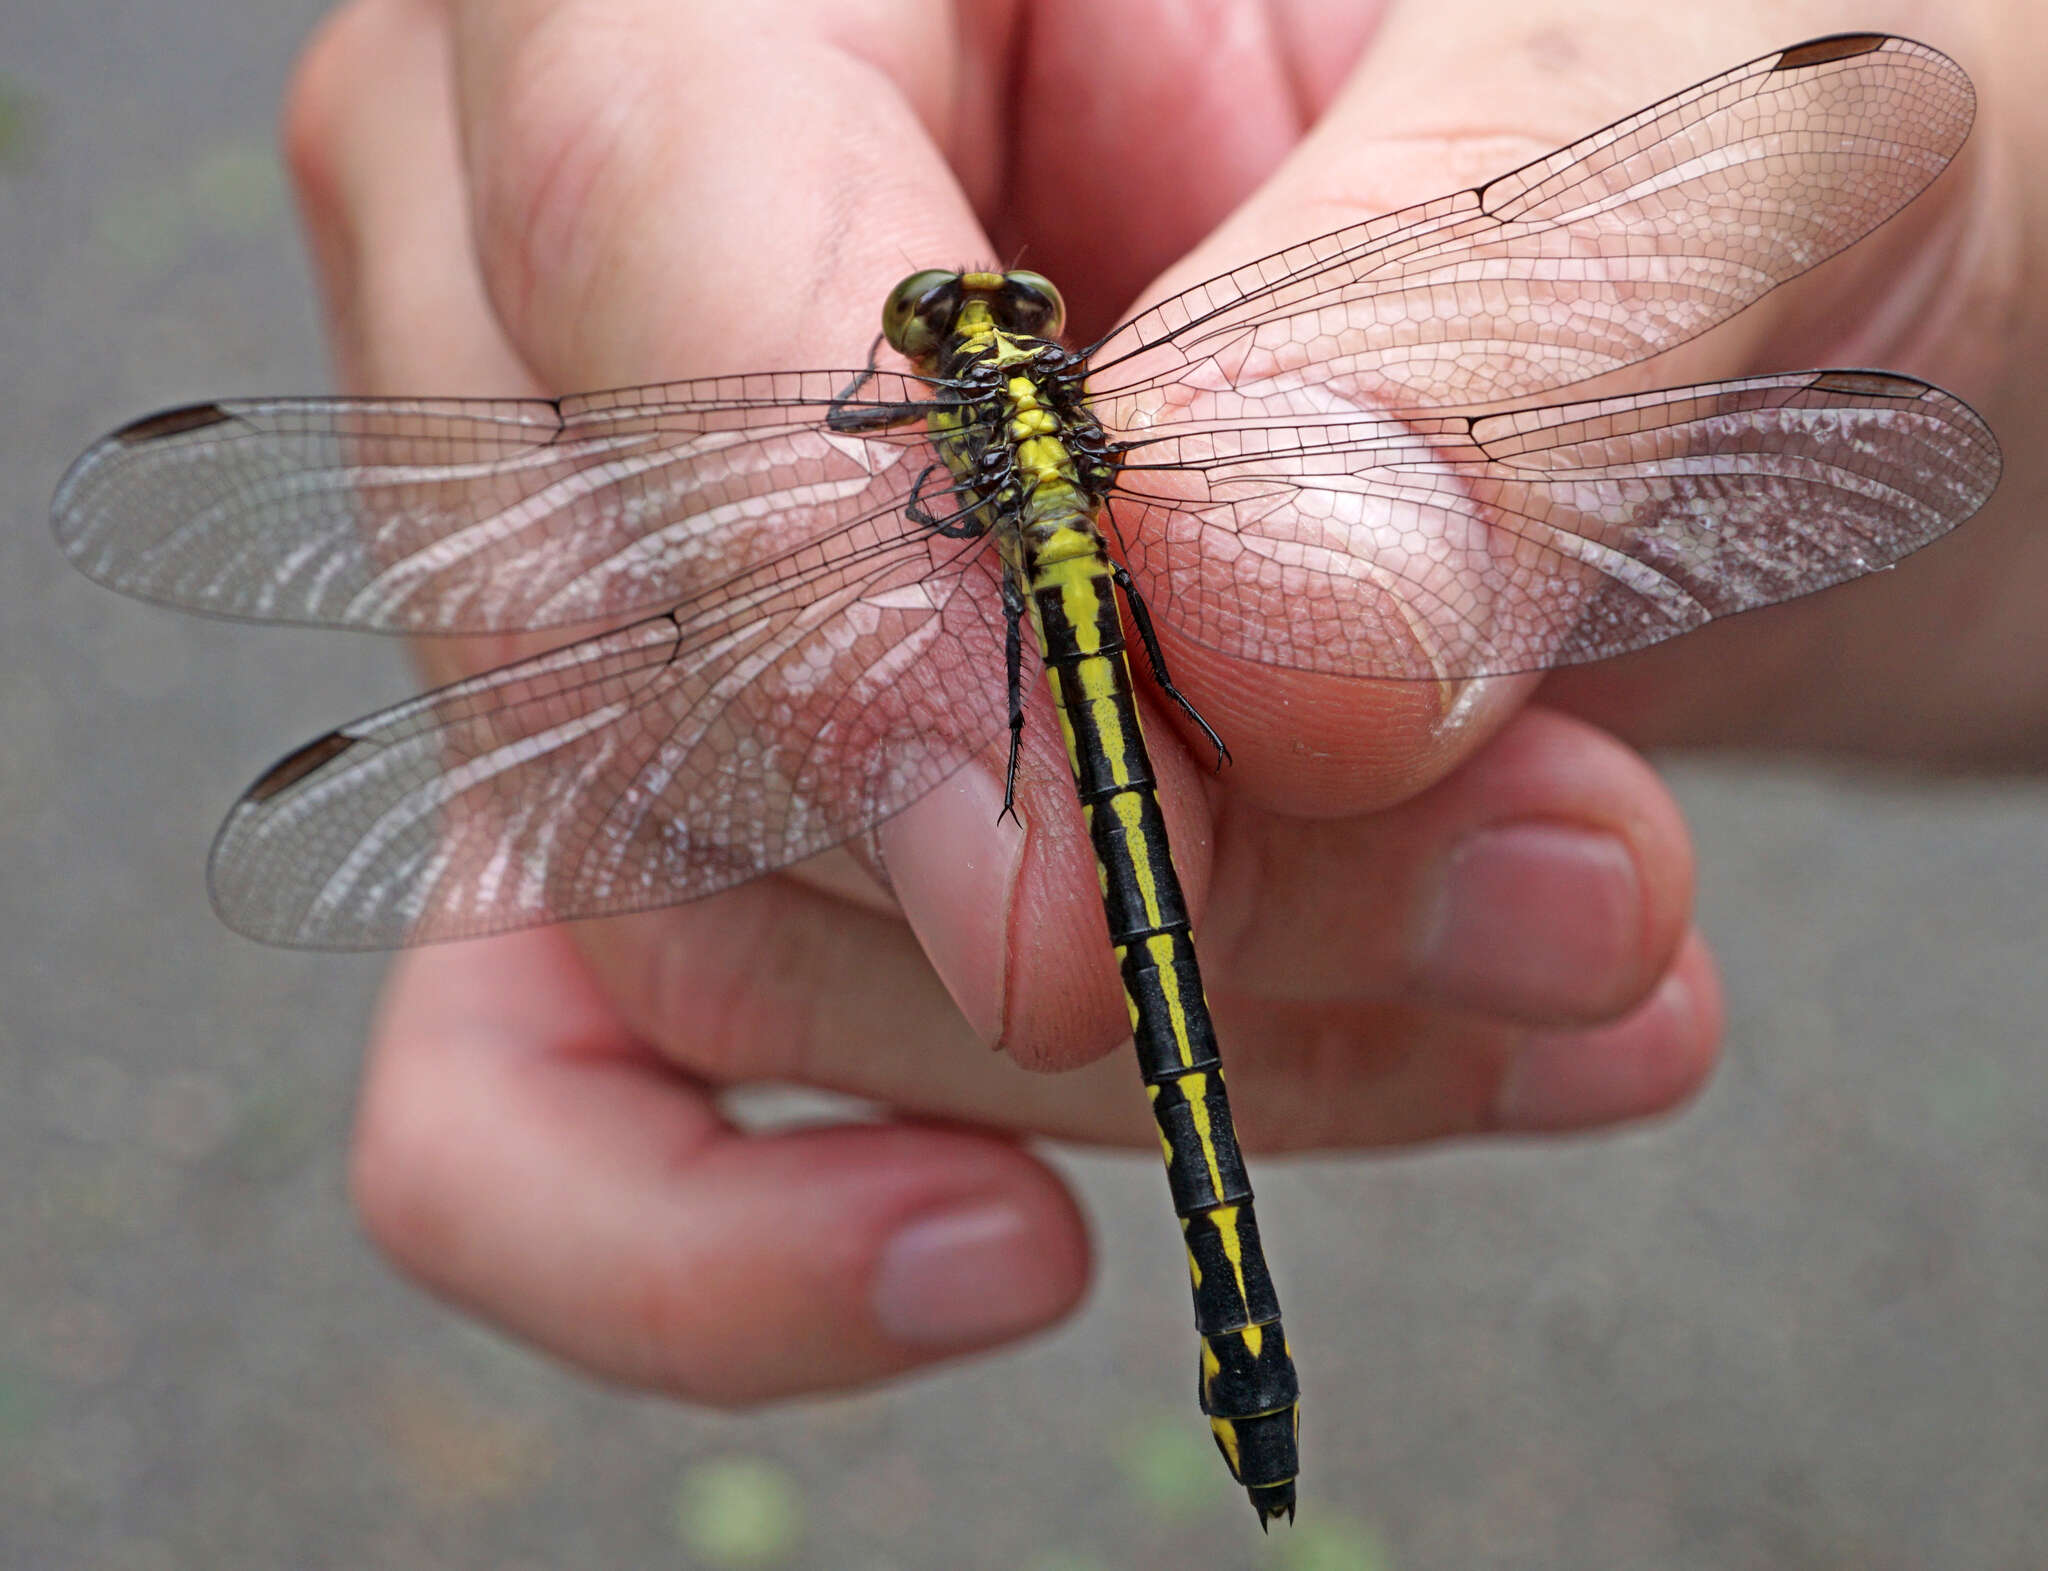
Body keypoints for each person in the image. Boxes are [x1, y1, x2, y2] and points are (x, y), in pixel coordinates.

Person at [283, 0, 2036, 1404]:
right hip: (1113, 633)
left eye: (992, 312)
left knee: (1033, 809)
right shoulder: (1075, 411)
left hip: (1076, 644)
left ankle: (1237, 1338)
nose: (977, 315)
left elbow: (879, 491)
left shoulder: (920, 439)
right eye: (955, 311)